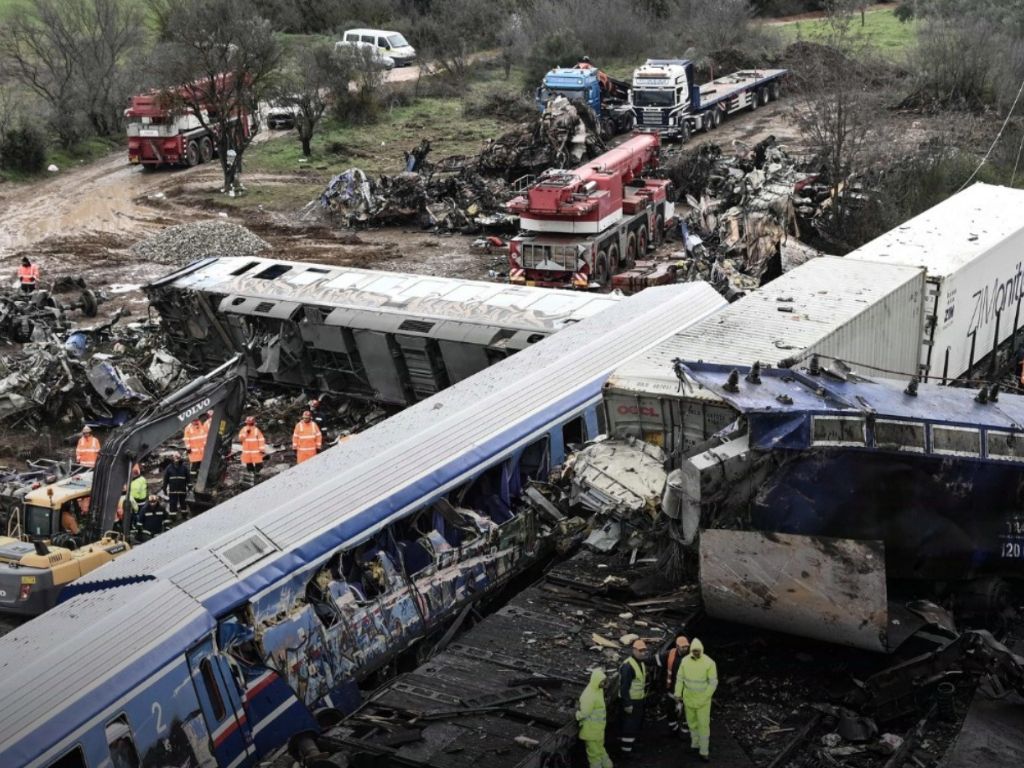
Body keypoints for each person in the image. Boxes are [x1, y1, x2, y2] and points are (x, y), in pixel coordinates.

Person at [674, 637, 719, 762]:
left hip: (703, 702)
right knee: (692, 724)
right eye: (694, 651)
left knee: (703, 726)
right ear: (691, 651)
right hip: (689, 699)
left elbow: (713, 683)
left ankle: (704, 751)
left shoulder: (709, 663)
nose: (696, 653)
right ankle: (695, 745)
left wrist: (705, 698)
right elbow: (680, 679)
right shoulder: (685, 661)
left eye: (698, 651)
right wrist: (678, 694)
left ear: (702, 650)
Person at [576, 668, 613, 768]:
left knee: (593, 755)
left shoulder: (589, 694)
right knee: (601, 749)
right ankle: (608, 765)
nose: (603, 684)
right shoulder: (599, 691)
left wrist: (577, 714)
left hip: (591, 731)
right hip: (599, 729)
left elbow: (584, 713)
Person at [618, 638, 648, 755]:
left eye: (644, 650)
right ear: (634, 650)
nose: (643, 653)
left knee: (634, 724)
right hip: (631, 701)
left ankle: (628, 746)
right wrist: (627, 704)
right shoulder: (628, 666)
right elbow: (624, 687)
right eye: (640, 651)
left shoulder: (640, 663)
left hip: (638, 699)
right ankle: (626, 751)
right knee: (629, 725)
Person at [662, 634, 690, 734]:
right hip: (672, 690)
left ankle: (684, 734)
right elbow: (657, 659)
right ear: (677, 646)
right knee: (671, 711)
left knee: (684, 714)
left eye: (687, 646)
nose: (686, 648)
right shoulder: (671, 654)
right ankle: (673, 730)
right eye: (683, 647)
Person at [162, 452, 190, 516]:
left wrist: (189, 486)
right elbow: (165, 479)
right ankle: (173, 517)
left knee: (183, 503)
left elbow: (188, 478)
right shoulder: (169, 468)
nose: (176, 459)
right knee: (172, 504)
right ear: (173, 458)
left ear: (180, 458)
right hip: (173, 490)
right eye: (175, 457)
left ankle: (184, 516)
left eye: (178, 458)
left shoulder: (184, 467)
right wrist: (164, 488)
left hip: (182, 489)